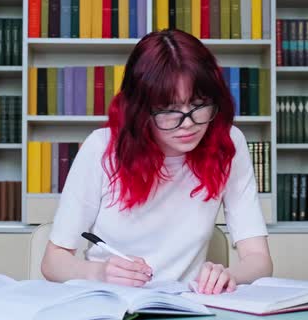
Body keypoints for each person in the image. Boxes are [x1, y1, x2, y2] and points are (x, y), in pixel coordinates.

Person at [41, 29, 272, 295]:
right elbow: (52, 262)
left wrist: (229, 275)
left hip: (187, 307)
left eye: (199, 105)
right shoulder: (101, 148)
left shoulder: (227, 144)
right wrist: (99, 273)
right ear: (139, 110)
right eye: (169, 110)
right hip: (109, 304)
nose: (188, 123)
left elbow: (259, 259)